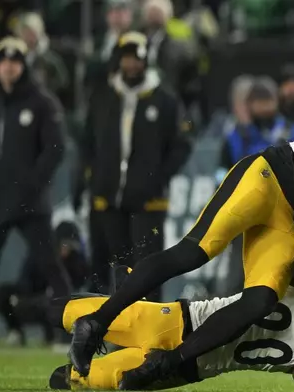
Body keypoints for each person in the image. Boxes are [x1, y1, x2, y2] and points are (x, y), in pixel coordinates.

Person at [66, 55, 294, 387]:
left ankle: (171, 361)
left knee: (258, 300)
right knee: (193, 252)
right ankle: (98, 321)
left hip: (293, 216)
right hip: (269, 177)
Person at [50, 252, 294, 392]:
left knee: (79, 381)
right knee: (67, 313)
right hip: (181, 323)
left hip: (194, 368)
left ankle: (124, 289)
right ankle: (24, 306)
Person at [73, 32, 192, 301]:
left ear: (146, 61)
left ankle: (150, 329)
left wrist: (158, 178)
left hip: (149, 201)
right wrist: (88, 181)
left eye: (136, 60)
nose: (131, 66)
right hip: (109, 197)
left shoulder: (164, 99)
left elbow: (182, 143)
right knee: (115, 266)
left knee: (149, 266)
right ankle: (115, 330)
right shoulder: (103, 96)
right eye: (126, 59)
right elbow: (87, 142)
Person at [0, 36, 71, 299]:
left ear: (24, 66)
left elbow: (55, 148)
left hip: (30, 200)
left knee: (49, 263)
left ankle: (74, 325)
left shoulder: (41, 101)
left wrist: (32, 183)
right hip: (0, 196)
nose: (8, 67)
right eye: (4, 61)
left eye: (15, 62)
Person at [0, 221, 88, 346]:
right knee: (4, 293)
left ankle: (57, 337)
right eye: (63, 244)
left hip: (61, 305)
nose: (65, 249)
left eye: (70, 246)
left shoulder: (76, 261)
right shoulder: (41, 254)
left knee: (56, 302)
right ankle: (16, 332)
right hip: (35, 299)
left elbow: (81, 283)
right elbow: (25, 281)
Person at [14, 12, 69, 98]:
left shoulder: (49, 58)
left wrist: (47, 92)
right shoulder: (15, 56)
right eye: (25, 33)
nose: (28, 37)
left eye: (31, 33)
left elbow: (62, 81)